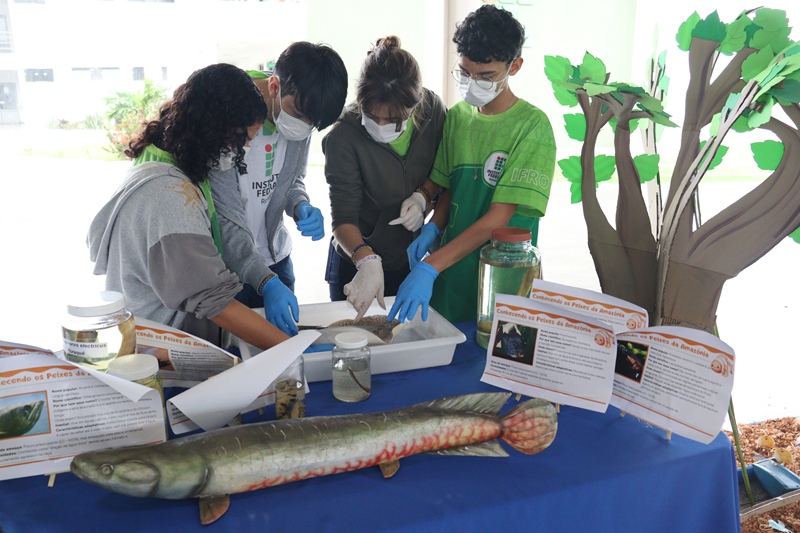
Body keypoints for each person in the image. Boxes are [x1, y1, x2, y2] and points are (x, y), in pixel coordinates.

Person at [88, 63, 289, 351]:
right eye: (241, 140)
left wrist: (266, 279)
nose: (242, 150)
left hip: (153, 330)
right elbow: (215, 302)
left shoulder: (162, 162)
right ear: (215, 130)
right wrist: (291, 350)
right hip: (162, 348)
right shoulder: (169, 195)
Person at [388, 5, 556, 324]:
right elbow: (454, 187)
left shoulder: (533, 128)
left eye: (486, 76)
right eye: (465, 72)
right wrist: (435, 225)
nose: (473, 83)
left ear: (514, 66)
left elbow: (499, 218)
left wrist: (429, 266)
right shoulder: (459, 117)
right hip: (451, 271)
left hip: (503, 277)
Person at [210, 42, 348, 336]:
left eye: (313, 123)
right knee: (234, 354)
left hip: (276, 260)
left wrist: (300, 204)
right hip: (228, 266)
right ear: (274, 85)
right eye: (299, 114)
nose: (303, 126)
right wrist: (265, 280)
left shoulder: (303, 118)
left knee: (283, 351)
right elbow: (224, 214)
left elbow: (291, 180)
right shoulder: (228, 113)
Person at [321, 36, 446, 321]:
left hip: (409, 257)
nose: (380, 126)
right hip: (357, 263)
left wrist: (423, 197)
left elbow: (445, 168)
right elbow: (343, 220)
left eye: (392, 120)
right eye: (371, 116)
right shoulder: (343, 136)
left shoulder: (433, 111)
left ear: (414, 108)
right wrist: (366, 258)